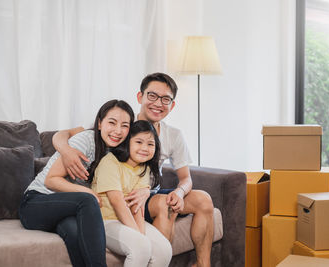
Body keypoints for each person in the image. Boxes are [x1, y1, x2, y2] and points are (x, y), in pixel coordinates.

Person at [53, 73, 214, 267]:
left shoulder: (174, 135)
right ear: (140, 97)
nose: (158, 103)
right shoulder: (124, 125)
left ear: (172, 105)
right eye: (152, 96)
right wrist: (65, 149)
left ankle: (203, 265)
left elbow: (185, 178)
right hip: (124, 196)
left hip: (147, 191)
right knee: (165, 205)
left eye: (166, 99)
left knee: (203, 199)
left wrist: (179, 193)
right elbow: (68, 134)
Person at [19, 99, 135, 267]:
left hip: (65, 210)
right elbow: (51, 180)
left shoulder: (116, 151)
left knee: (75, 233)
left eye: (125, 125)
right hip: (35, 203)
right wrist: (88, 193)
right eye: (112, 122)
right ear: (100, 123)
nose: (118, 130)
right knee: (86, 200)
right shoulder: (86, 140)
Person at [92, 120, 170, 267]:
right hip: (104, 221)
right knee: (140, 246)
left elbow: (137, 206)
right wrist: (139, 237)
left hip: (128, 219)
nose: (144, 148)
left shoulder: (144, 167)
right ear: (127, 142)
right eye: (139, 142)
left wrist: (140, 233)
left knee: (164, 251)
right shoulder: (110, 162)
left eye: (150, 144)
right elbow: (117, 202)